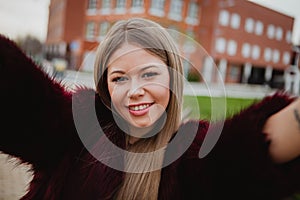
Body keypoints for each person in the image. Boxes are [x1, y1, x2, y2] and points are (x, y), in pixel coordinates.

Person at [1, 18, 300, 200]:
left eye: (149, 74)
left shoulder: (192, 157)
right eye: (119, 78)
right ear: (106, 87)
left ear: (172, 78)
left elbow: (256, 148)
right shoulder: (73, 130)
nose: (135, 91)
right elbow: (19, 93)